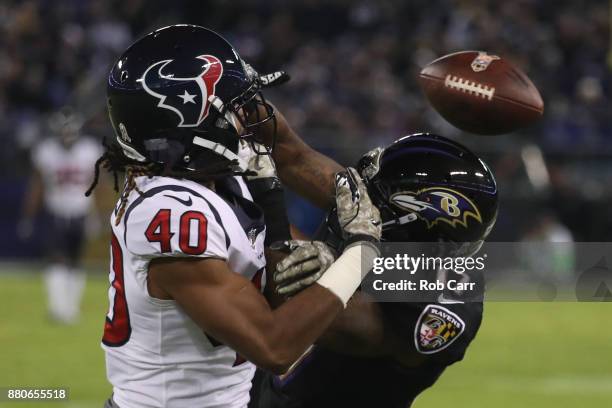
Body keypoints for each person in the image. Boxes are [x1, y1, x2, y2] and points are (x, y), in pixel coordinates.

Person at [90, 24, 382, 408]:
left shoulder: (219, 180)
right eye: (235, 106)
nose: (252, 114)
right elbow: (275, 347)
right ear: (189, 120)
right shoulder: (169, 212)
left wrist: (286, 229)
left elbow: (282, 290)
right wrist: (360, 254)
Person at [250, 134, 499, 408]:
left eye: (375, 194)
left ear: (414, 221)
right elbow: (293, 154)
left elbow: (305, 308)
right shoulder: (382, 231)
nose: (361, 198)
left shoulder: (449, 300)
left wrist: (261, 203)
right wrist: (237, 104)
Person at [18, 108, 102, 324]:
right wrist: (28, 216)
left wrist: (96, 215)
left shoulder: (89, 150)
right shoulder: (46, 151)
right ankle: (57, 308)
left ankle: (71, 309)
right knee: (56, 259)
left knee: (75, 261)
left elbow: (97, 185)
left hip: (81, 212)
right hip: (55, 212)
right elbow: (37, 186)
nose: (66, 136)